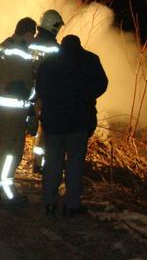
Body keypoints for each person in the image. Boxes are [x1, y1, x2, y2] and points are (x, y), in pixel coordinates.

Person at [36, 34, 107, 217]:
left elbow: (40, 89)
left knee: (52, 163)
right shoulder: (90, 59)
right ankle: (72, 205)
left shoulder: (49, 62)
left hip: (53, 123)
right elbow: (102, 84)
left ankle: (49, 203)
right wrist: (86, 96)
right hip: (79, 122)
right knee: (75, 164)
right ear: (79, 45)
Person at [0, 17, 37, 205]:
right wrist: (33, 96)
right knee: (12, 150)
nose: (33, 39)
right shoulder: (20, 51)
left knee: (4, 147)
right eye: (32, 35)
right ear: (27, 33)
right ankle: (7, 191)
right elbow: (24, 84)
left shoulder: (4, 46)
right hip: (13, 109)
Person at [30, 9, 64, 174]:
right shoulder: (55, 49)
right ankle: (38, 163)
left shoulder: (29, 43)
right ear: (53, 26)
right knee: (43, 131)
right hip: (44, 94)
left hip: (25, 91)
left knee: (20, 128)